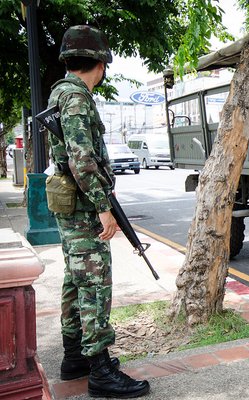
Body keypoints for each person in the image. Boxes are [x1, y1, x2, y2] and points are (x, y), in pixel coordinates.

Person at [47, 25, 150, 398]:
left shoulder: (64, 93)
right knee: (93, 283)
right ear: (100, 64)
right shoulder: (76, 98)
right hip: (83, 205)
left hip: (72, 203)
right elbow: (82, 160)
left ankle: (75, 356)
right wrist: (103, 208)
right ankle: (100, 370)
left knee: (75, 280)